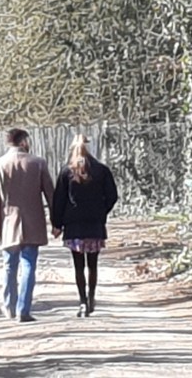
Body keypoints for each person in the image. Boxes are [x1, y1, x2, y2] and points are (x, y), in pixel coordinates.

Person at [0, 128, 55, 323]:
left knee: (9, 266)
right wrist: (56, 222)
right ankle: (23, 310)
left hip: (9, 222)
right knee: (29, 265)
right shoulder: (38, 163)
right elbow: (51, 195)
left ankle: (9, 306)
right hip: (33, 221)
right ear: (24, 142)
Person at [51, 134, 118, 318]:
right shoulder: (102, 170)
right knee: (93, 264)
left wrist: (57, 223)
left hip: (74, 225)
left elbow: (59, 200)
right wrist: (102, 210)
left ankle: (81, 302)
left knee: (78, 266)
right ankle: (91, 298)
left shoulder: (67, 172)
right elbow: (112, 196)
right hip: (95, 223)